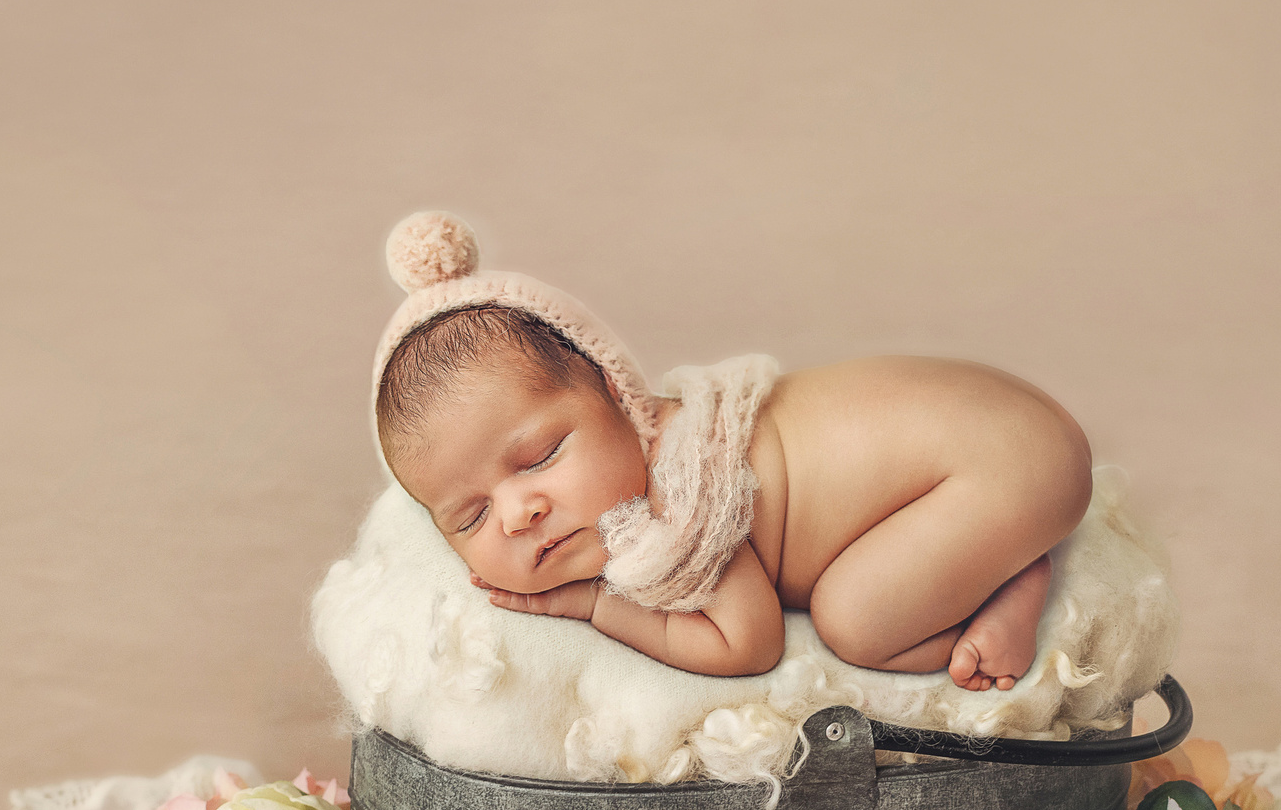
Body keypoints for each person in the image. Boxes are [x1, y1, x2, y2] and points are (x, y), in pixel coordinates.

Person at [370, 213, 1090, 691]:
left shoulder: (682, 497)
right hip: (984, 416)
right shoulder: (633, 460)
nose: (519, 512)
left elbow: (746, 644)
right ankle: (996, 547)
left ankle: (1014, 578)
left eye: (541, 456)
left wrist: (595, 605)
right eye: (469, 519)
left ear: (624, 401)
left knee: (857, 621)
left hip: (1004, 458)